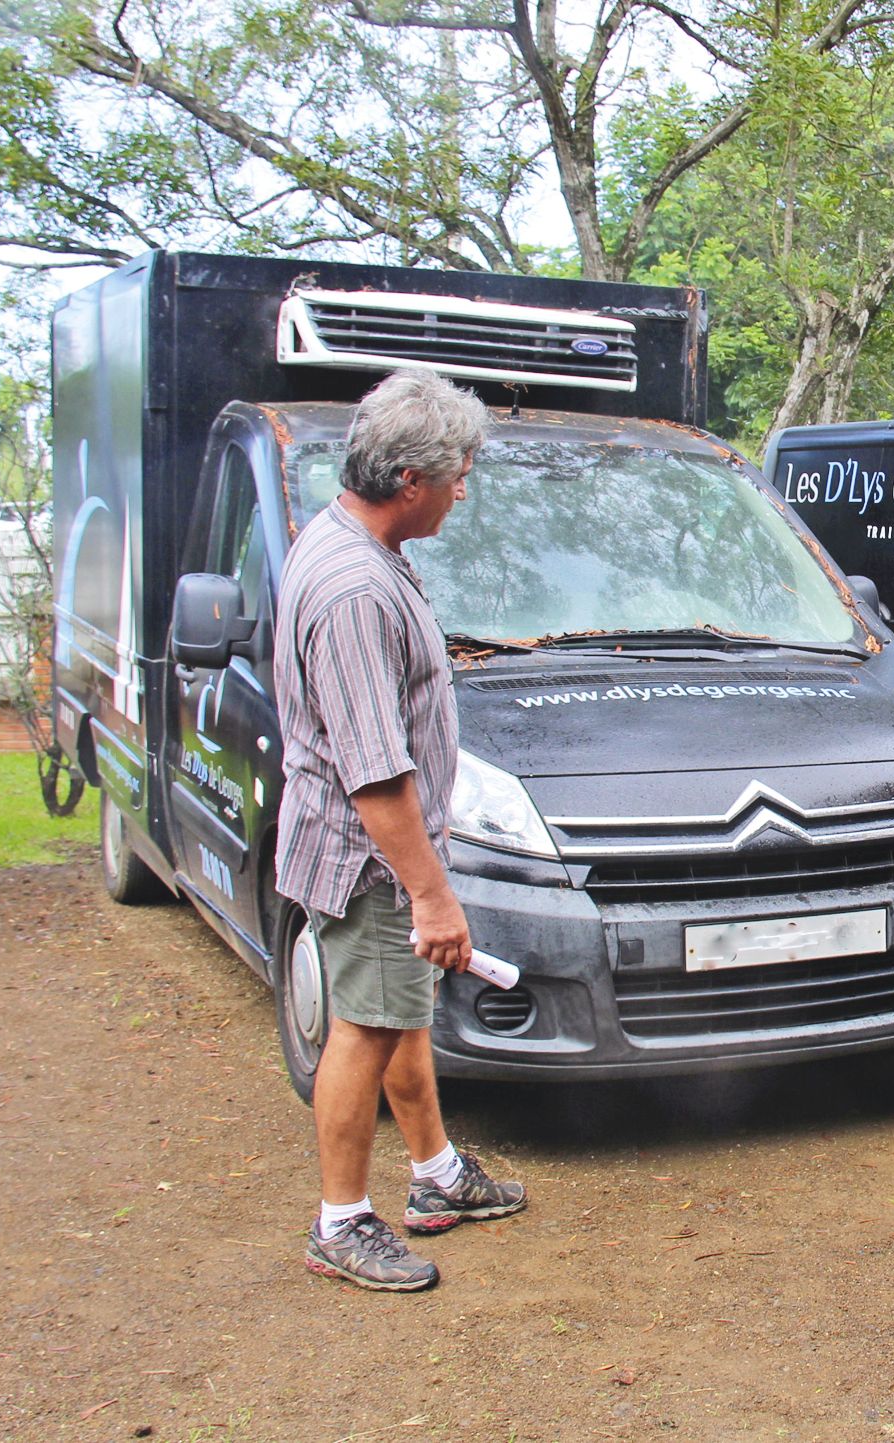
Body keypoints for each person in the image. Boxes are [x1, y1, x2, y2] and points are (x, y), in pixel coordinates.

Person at [276, 367, 527, 1290]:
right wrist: (431, 893)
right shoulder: (353, 587)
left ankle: (436, 1175)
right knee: (367, 1027)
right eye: (459, 473)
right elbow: (373, 772)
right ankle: (340, 1221)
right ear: (411, 478)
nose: (465, 489)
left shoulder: (361, 542)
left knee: (399, 1012)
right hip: (370, 860)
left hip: (381, 854)